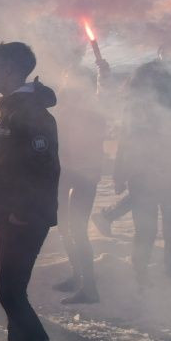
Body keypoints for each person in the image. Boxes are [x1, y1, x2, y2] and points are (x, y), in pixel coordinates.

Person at [0, 42, 69, 341]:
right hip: (10, 212)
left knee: (10, 293)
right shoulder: (12, 109)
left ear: (12, 70)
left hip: (26, 216)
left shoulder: (32, 112)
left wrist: (22, 209)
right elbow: (4, 159)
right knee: (12, 291)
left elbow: (44, 169)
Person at [113, 60, 171, 285]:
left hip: (148, 173)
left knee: (146, 230)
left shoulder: (137, 103)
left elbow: (124, 139)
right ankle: (167, 273)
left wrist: (120, 172)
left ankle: (141, 275)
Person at [53, 67, 104, 304]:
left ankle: (90, 287)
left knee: (78, 229)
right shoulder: (63, 108)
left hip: (83, 174)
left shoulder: (91, 112)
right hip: (65, 173)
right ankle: (78, 275)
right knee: (64, 226)